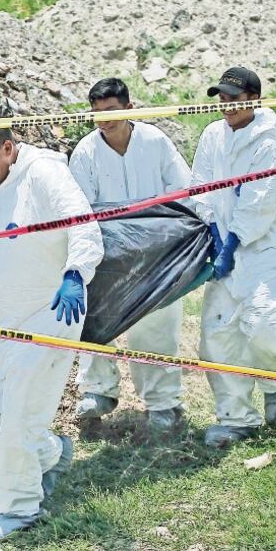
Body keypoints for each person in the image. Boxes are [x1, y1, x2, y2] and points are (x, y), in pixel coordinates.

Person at [0, 111, 105, 542]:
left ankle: (19, 507)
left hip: (49, 311)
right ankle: (51, 452)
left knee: (20, 416)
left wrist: (75, 273)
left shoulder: (45, 175)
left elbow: (83, 226)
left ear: (7, 147)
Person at [68, 78, 192, 432]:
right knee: (95, 317)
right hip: (107, 253)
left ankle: (162, 403)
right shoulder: (86, 152)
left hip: (156, 251)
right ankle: (98, 391)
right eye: (97, 113)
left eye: (111, 111)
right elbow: (82, 208)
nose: (104, 120)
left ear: (129, 108)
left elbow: (183, 190)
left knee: (156, 325)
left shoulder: (155, 142)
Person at [191, 67, 276, 449]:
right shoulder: (212, 136)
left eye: (234, 100)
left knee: (266, 326)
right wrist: (214, 233)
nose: (227, 107)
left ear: (254, 99)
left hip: (265, 250)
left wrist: (231, 245)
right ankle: (235, 419)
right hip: (224, 246)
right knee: (218, 337)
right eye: (222, 100)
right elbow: (200, 188)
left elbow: (258, 206)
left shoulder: (267, 146)